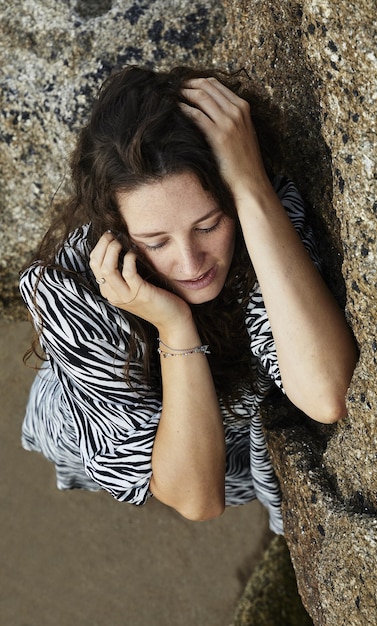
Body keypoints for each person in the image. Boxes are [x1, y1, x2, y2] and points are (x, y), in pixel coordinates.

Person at [19, 66, 358, 535]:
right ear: (116, 229)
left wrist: (251, 187)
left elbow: (325, 394)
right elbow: (194, 497)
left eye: (208, 225)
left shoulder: (259, 213)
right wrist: (174, 326)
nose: (191, 262)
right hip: (96, 414)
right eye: (155, 242)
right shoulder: (70, 293)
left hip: (223, 431)